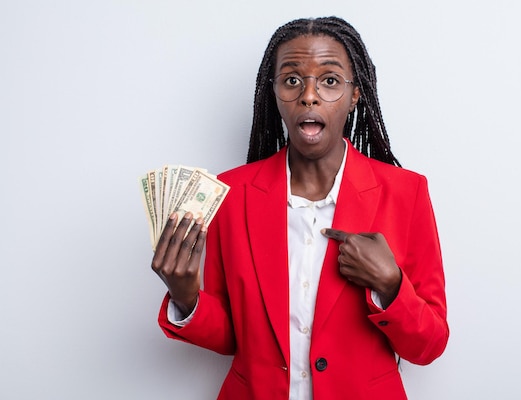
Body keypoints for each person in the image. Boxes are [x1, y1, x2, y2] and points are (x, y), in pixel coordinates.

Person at [151, 16, 448, 400]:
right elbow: (233, 338)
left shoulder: (406, 193)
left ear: (355, 94)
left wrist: (391, 286)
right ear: (273, 94)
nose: (309, 95)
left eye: (329, 80)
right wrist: (186, 297)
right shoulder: (231, 192)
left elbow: (429, 345)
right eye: (292, 80)